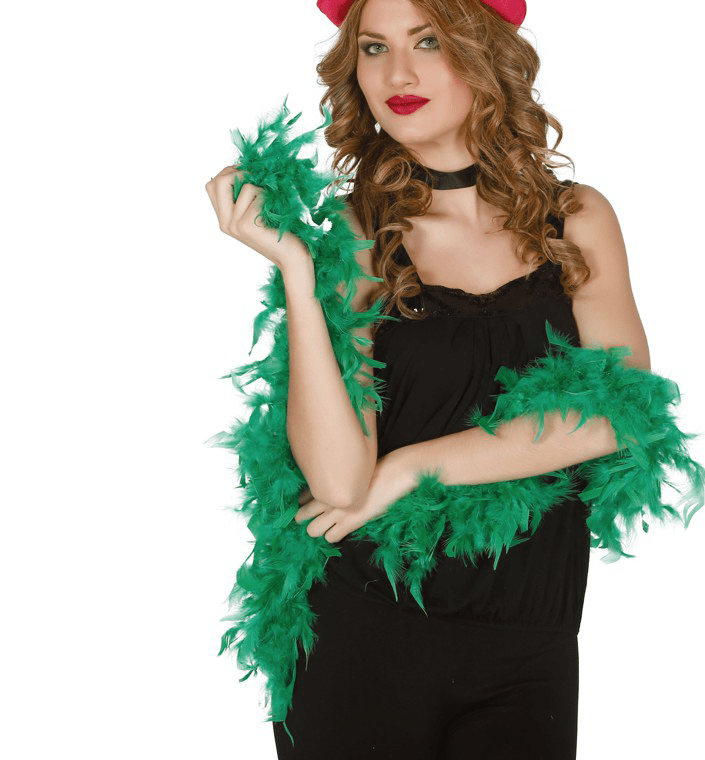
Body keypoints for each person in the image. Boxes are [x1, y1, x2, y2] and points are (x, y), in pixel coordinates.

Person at [206, 0, 651, 756]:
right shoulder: (353, 238)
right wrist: (298, 272)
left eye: (428, 42)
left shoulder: (575, 220)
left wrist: (412, 468)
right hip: (363, 634)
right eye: (373, 48)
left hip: (527, 643)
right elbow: (341, 482)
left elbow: (621, 412)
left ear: (485, 54)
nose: (397, 74)